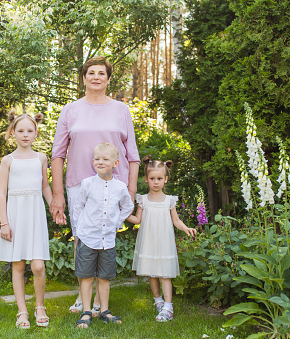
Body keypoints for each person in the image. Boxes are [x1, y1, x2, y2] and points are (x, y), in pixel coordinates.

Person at [50, 56, 140, 315]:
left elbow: (132, 155)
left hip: (114, 185)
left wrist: (130, 192)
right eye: (91, 72)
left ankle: (101, 300)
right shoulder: (70, 110)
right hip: (79, 183)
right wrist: (58, 194)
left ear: (109, 79)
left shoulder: (121, 110)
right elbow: (58, 154)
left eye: (102, 73)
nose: (96, 77)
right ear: (84, 77)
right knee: (82, 239)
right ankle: (83, 298)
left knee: (105, 237)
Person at [0, 111, 63, 329]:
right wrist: (4, 223)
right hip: (14, 216)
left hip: (35, 215)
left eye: (30, 131)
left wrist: (55, 208)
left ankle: (40, 306)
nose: (25, 135)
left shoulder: (41, 158)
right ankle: (22, 311)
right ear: (13, 132)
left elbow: (44, 186)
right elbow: (1, 193)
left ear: (36, 133)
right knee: (18, 263)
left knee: (38, 265)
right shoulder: (8, 160)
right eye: (21, 130)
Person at [126, 156, 197, 322]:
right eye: (152, 179)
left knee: (165, 274)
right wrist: (123, 215)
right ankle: (158, 301)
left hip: (164, 241)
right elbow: (137, 220)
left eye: (159, 178)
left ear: (165, 179)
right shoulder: (142, 200)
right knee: (152, 273)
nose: (155, 182)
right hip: (149, 241)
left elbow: (176, 221)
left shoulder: (169, 201)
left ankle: (168, 307)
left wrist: (186, 228)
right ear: (146, 179)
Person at [72, 143, 135, 328]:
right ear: (93, 162)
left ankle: (104, 311)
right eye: (97, 159)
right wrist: (79, 230)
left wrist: (117, 223)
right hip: (87, 238)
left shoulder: (120, 187)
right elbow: (78, 207)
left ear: (115, 163)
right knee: (86, 276)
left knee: (104, 277)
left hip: (107, 240)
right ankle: (86, 311)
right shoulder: (87, 184)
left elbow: (128, 207)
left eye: (105, 159)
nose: (100, 162)